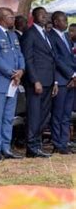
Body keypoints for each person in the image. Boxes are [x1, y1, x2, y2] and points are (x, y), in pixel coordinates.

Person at [0, 7, 25, 161]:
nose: (13, 19)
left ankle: (6, 148)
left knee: (9, 117)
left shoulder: (12, 34)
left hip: (13, 82)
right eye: (11, 17)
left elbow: (19, 54)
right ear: (2, 18)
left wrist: (21, 70)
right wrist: (12, 73)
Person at [21, 7, 57, 158]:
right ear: (33, 17)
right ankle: (31, 147)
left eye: (45, 15)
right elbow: (28, 59)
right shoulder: (30, 34)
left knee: (43, 115)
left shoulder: (46, 34)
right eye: (41, 15)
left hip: (49, 80)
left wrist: (55, 81)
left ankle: (37, 143)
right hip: (37, 82)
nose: (44, 17)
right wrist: (35, 80)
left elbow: (52, 59)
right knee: (34, 115)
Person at [47, 11, 75, 155]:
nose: (66, 22)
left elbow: (71, 58)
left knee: (66, 114)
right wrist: (72, 75)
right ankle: (57, 143)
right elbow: (56, 59)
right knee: (57, 114)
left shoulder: (65, 36)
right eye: (63, 20)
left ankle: (64, 142)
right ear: (56, 22)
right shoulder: (50, 36)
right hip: (61, 80)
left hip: (71, 81)